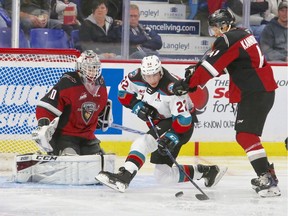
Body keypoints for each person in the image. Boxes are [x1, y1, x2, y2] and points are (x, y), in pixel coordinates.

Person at [172, 9, 280, 198]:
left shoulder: (228, 39)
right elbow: (228, 62)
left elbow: (210, 68)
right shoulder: (243, 34)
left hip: (255, 91)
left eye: (215, 27)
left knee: (246, 136)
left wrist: (187, 84)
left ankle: (267, 180)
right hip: (260, 90)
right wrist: (198, 71)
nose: (214, 31)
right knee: (246, 136)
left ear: (224, 25)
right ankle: (267, 175)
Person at [95, 55, 227, 192]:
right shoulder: (135, 76)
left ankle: (124, 176)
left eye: (154, 75)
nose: (152, 79)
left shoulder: (172, 88)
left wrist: (171, 137)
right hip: (162, 121)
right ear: (142, 73)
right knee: (163, 176)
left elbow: (184, 120)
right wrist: (136, 105)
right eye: (148, 76)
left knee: (143, 142)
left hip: (179, 126)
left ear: (160, 72)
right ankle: (207, 172)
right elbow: (122, 92)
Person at [32, 50, 112, 156]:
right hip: (65, 136)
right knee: (70, 160)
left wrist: (102, 118)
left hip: (87, 137)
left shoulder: (101, 85)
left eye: (95, 68)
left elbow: (99, 109)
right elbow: (46, 106)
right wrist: (43, 124)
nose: (93, 72)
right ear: (80, 68)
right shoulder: (68, 83)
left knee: (100, 160)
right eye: (89, 68)